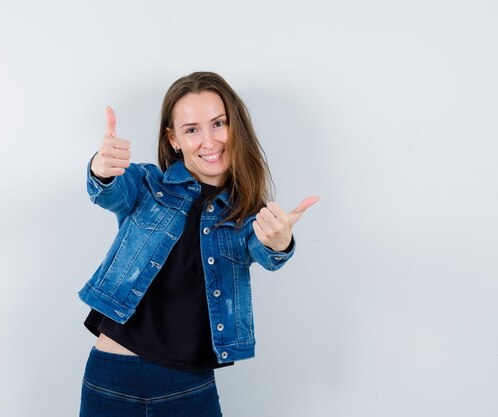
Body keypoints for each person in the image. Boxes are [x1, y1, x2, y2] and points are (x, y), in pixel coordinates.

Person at [78, 71, 318, 417]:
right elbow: (111, 188)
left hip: (189, 387)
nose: (209, 140)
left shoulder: (246, 216)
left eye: (218, 123)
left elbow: (265, 251)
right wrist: (101, 169)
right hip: (113, 377)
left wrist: (280, 242)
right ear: (174, 140)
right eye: (192, 129)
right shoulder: (147, 184)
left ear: (235, 127)